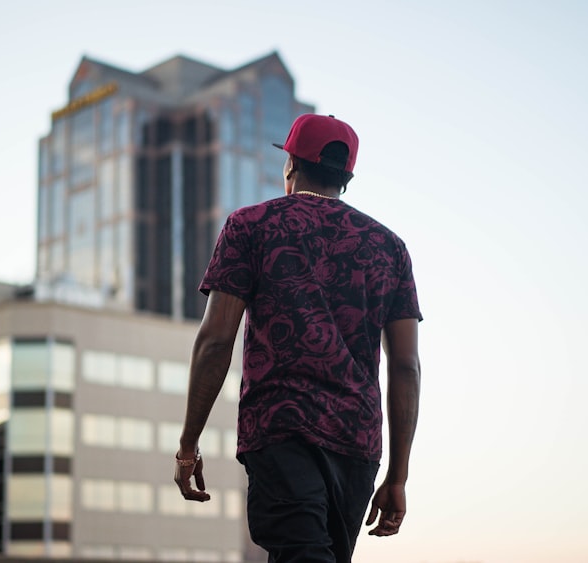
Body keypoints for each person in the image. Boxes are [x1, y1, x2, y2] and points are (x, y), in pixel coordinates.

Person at [174, 113, 422, 563]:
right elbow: (406, 366)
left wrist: (189, 444)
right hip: (357, 442)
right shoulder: (390, 248)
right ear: (347, 176)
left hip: (280, 428)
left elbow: (215, 341)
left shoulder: (250, 226)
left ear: (291, 164)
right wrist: (398, 477)